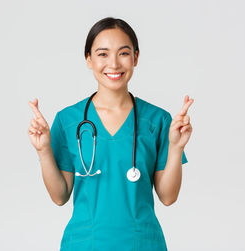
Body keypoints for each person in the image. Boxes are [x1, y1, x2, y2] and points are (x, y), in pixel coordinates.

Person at [27, 17, 194, 251]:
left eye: (123, 53)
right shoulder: (68, 120)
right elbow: (59, 196)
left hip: (143, 243)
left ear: (136, 57)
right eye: (103, 54)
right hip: (84, 244)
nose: (113, 64)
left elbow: (168, 197)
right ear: (88, 59)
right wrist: (43, 149)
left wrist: (176, 148)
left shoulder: (158, 120)